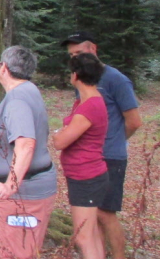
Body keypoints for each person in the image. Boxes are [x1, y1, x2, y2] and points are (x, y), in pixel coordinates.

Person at [62, 32, 141, 259]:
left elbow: (134, 121)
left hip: (110, 157)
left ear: (93, 49)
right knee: (92, 215)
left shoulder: (116, 80)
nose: (75, 58)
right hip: (88, 158)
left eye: (79, 53)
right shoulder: (81, 79)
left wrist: (113, 141)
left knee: (106, 213)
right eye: (71, 55)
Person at [0, 45, 57, 259]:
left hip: (23, 194)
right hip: (23, 192)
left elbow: (26, 144)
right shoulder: (27, 90)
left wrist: (11, 185)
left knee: (16, 254)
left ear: (3, 68)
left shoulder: (18, 100)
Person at [54, 53, 110, 259]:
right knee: (91, 234)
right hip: (85, 175)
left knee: (83, 237)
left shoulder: (90, 106)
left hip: (86, 177)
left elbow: (60, 142)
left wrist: (59, 134)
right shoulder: (84, 101)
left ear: (76, 75)